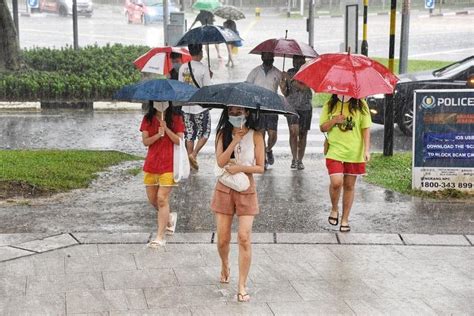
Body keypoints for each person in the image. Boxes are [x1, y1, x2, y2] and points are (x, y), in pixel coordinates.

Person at [211, 105, 265, 302]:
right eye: (231, 112)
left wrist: (240, 167)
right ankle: (225, 263)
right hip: (224, 187)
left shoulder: (257, 135)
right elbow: (220, 161)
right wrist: (234, 140)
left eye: (239, 111)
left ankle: (242, 285)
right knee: (223, 238)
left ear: (247, 113)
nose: (235, 115)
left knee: (244, 237)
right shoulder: (222, 134)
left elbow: (261, 167)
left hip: (246, 188)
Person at [319, 94, 371, 232]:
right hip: (335, 150)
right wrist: (335, 120)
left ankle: (345, 219)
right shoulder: (330, 104)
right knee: (336, 182)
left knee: (349, 185)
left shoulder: (361, 104)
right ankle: (334, 208)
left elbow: (366, 128)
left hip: (354, 152)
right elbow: (323, 127)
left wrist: (366, 150)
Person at [140, 101, 185, 247]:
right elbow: (145, 142)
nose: (160, 104)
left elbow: (179, 141)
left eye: (164, 101)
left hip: (169, 165)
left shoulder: (176, 118)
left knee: (161, 199)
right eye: (157, 101)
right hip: (151, 165)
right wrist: (158, 135)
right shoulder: (148, 119)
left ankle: (160, 236)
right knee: (153, 199)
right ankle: (169, 217)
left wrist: (167, 130)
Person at [246, 52, 285, 170]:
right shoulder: (255, 72)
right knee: (261, 133)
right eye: (266, 57)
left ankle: (268, 149)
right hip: (258, 107)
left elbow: (284, 92)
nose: (268, 59)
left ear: (273, 59)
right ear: (262, 57)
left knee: (273, 134)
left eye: (270, 57)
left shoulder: (278, 73)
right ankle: (263, 159)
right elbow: (247, 87)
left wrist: (283, 84)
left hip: (272, 106)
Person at [178, 44, 212, 171]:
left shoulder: (183, 68)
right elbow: (207, 88)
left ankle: (189, 162)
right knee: (205, 132)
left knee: (190, 134)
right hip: (200, 107)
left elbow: (180, 87)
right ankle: (194, 154)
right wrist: (210, 76)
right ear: (201, 52)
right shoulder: (203, 69)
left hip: (186, 107)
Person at [281, 55, 313, 170]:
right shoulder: (290, 72)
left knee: (303, 134)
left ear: (304, 61)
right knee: (293, 132)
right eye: (294, 60)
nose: (297, 63)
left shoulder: (309, 71)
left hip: (305, 107)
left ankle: (300, 160)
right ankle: (294, 158)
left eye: (299, 60)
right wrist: (283, 84)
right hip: (292, 107)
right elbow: (286, 92)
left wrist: (289, 78)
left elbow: (304, 87)